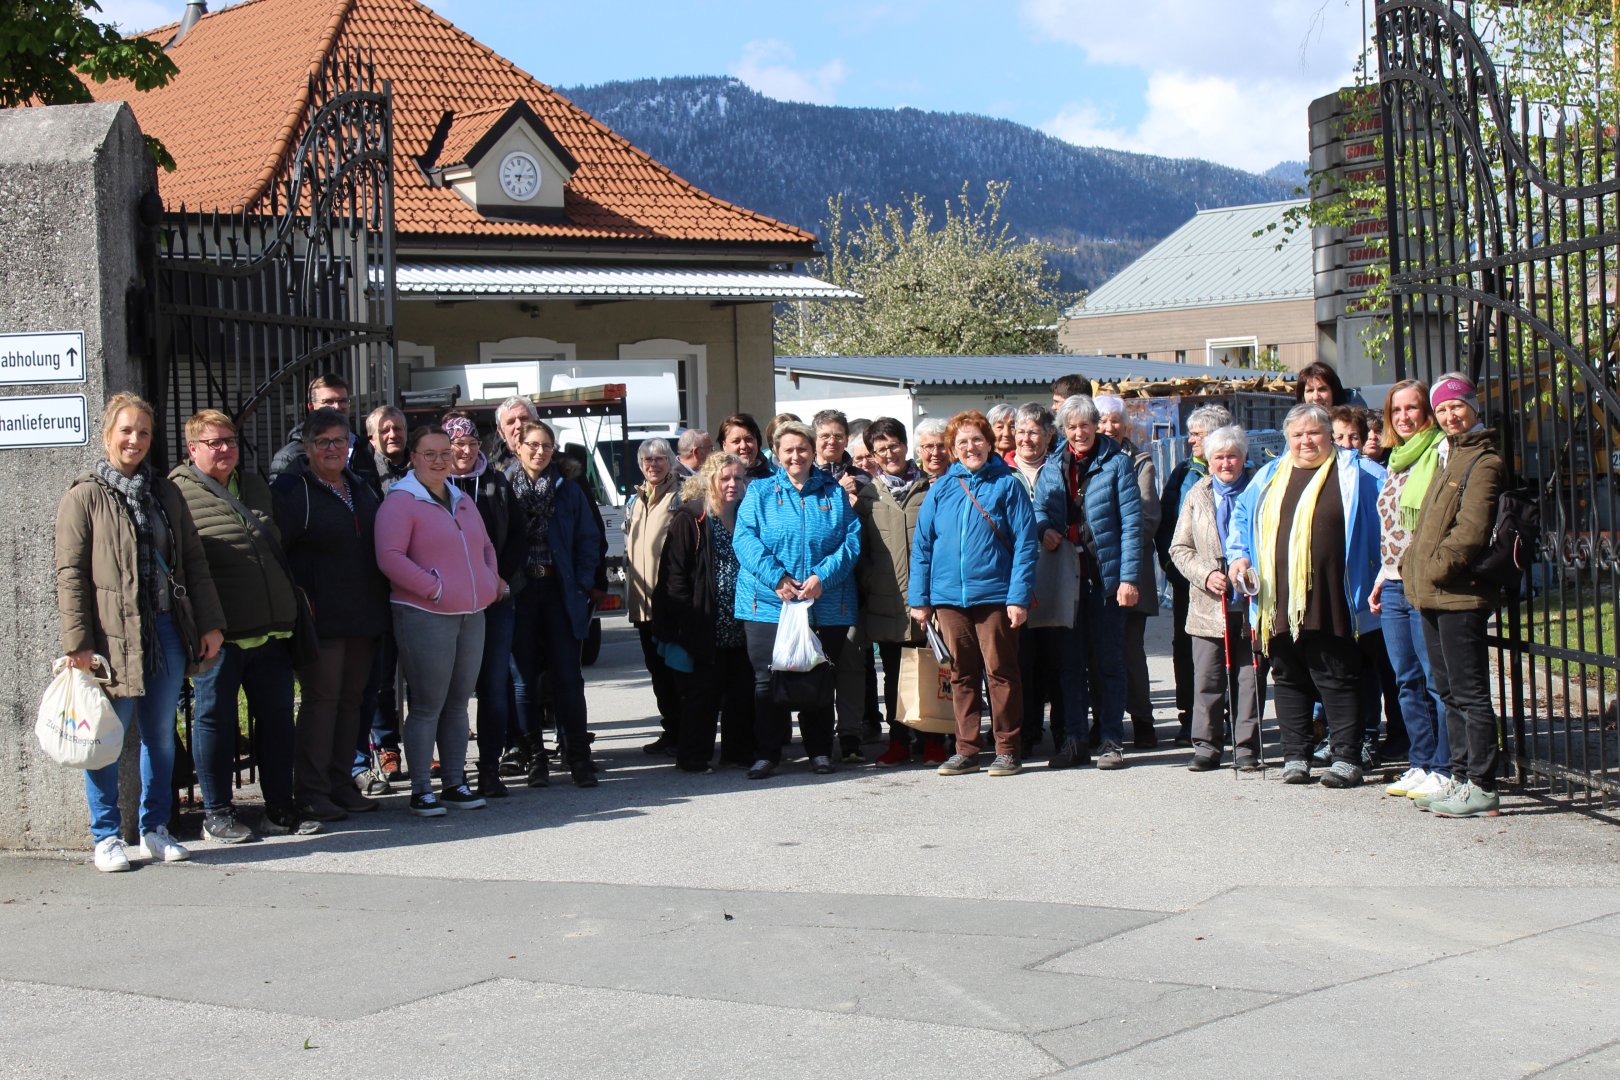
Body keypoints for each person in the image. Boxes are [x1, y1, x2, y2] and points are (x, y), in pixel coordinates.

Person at [57, 393, 226, 872]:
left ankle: (155, 828)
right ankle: (106, 836)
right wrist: (78, 644)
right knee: (105, 738)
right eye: (127, 431)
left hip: (166, 629)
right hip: (111, 639)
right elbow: (70, 575)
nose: (135, 440)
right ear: (108, 434)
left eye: (144, 432)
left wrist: (210, 623)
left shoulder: (164, 493)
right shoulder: (84, 496)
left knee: (161, 736)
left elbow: (192, 560)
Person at [170, 409, 318, 843]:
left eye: (231, 440)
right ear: (192, 448)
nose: (225, 448)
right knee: (213, 722)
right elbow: (184, 568)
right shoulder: (178, 493)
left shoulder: (254, 484)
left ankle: (280, 809)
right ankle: (217, 813)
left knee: (277, 722)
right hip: (220, 636)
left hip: (271, 631)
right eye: (214, 442)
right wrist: (203, 625)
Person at [1226, 403, 1385, 788]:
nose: (1306, 441)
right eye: (1297, 434)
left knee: (1336, 674)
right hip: (1277, 598)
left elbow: (1387, 518)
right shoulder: (1269, 474)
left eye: (1313, 432)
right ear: (1287, 438)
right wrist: (1239, 555)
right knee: (1288, 675)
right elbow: (1242, 519)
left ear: (1329, 434)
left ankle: (1346, 758)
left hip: (1333, 594)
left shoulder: (1359, 472)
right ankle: (1295, 756)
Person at [376, 426, 503, 817]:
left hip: (471, 613)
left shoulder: (461, 497)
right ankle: (421, 789)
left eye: (444, 453)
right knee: (427, 705)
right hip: (425, 614)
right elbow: (390, 557)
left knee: (458, 704)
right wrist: (434, 589)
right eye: (429, 454)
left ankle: (454, 783)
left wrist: (488, 583)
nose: (438, 460)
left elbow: (486, 547)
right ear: (413, 457)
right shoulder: (401, 501)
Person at [272, 406, 391, 821]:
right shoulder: (293, 492)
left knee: (351, 702)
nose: (332, 449)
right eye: (322, 442)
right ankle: (312, 791)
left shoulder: (361, 486)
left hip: (364, 614)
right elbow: (278, 553)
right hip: (320, 620)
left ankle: (341, 784)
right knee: (322, 702)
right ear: (307, 447)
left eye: (339, 440)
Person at [910, 410, 1038, 777]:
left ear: (990, 443)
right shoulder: (942, 488)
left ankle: (1007, 749)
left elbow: (1026, 545)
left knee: (1001, 673)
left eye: (977, 439)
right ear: (953, 448)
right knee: (960, 675)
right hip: (948, 599)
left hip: (995, 596)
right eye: (962, 442)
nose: (971, 447)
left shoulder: (1008, 484)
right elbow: (923, 547)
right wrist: (919, 600)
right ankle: (966, 749)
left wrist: (1018, 597)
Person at [733, 420, 860, 779]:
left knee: (818, 676)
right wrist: (776, 577)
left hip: (824, 602)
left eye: (802, 448)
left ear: (812, 451)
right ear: (776, 453)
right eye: (788, 450)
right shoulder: (759, 492)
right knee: (767, 680)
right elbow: (744, 539)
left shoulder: (833, 493)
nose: (795, 456)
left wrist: (822, 577)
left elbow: (851, 540)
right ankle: (767, 753)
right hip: (767, 604)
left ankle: (819, 751)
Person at [1402, 373, 1505, 818]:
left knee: (1469, 692)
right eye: (1442, 409)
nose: (1449, 415)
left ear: (1473, 407)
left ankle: (1482, 784)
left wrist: (1435, 568)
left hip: (1459, 595)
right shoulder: (1449, 456)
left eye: (1456, 406)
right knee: (1448, 692)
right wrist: (1413, 567)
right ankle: (1460, 777)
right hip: (1432, 593)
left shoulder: (1484, 461)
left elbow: (1471, 531)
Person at [1035, 395, 1144, 770]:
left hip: (1105, 576)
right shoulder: (1052, 465)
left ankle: (1111, 739)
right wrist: (1044, 529)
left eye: (1085, 425)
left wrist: (1129, 579)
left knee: (1109, 662)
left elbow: (1132, 525)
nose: (1079, 432)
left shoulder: (1117, 463)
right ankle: (1075, 740)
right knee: (1069, 663)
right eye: (1071, 426)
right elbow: (1039, 508)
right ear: (1063, 430)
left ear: (1096, 425)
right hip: (1067, 575)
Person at [506, 419, 603, 787]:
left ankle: (578, 756)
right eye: (532, 444)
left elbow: (588, 539)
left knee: (568, 677)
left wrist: (582, 582)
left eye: (546, 445)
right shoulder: (504, 488)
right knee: (523, 681)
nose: (539, 451)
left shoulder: (569, 488)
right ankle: (535, 758)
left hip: (560, 591)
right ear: (518, 447)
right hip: (520, 593)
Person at [443, 410, 529, 798]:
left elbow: (517, 536)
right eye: (457, 444)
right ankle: (452, 772)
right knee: (451, 691)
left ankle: (490, 768)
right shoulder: (430, 486)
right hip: (447, 602)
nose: (465, 451)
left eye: (471, 443)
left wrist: (501, 580)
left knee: (494, 685)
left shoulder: (496, 482)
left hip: (494, 597)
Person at [1370, 380, 1448, 799]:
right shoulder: (1395, 460)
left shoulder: (1440, 451)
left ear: (1427, 412)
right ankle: (1421, 761)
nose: (1403, 417)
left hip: (1425, 582)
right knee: (1406, 679)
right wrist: (1383, 575)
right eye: (1396, 410)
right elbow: (1393, 529)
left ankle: (1445, 766)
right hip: (1394, 584)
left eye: (1411, 408)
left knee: (1436, 679)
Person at [653, 452, 756, 771]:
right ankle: (693, 757)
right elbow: (674, 576)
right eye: (725, 478)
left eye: (738, 478)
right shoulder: (692, 517)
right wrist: (687, 620)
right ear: (710, 480)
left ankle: (737, 753)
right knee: (702, 694)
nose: (732, 484)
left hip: (741, 621)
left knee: (741, 690)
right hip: (703, 621)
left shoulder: (746, 514)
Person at [1168, 425, 1261, 771]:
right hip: (1209, 603)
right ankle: (1207, 746)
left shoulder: (1259, 489)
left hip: (1251, 600)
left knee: (1249, 677)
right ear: (1208, 461)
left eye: (1232, 456)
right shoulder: (1197, 494)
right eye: (1219, 457)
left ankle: (1247, 746)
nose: (1226, 463)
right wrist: (1206, 574)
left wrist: (1253, 571)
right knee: (1207, 677)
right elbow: (1179, 547)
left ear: (1243, 457)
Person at [856, 417, 945, 766]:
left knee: (929, 671)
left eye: (894, 446)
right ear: (873, 455)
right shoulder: (868, 496)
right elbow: (861, 551)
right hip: (886, 600)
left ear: (906, 446)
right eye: (881, 450)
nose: (889, 454)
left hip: (927, 600)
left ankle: (933, 739)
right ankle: (898, 741)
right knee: (893, 676)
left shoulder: (931, 488)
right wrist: (869, 579)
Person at [1155, 404, 1233, 745]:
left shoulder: (1240, 472)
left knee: (1230, 648)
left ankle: (1230, 716)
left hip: (1230, 581)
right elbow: (1165, 524)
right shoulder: (1182, 473)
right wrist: (1172, 567)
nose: (1190, 441)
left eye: (1197, 434)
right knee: (1186, 649)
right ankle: (1190, 717)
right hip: (1188, 579)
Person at [1095, 394, 1162, 749]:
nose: (1108, 427)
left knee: (1129, 650)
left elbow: (1147, 519)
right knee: (1097, 652)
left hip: (1130, 570)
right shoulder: (1086, 460)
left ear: (1125, 425)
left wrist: (1117, 552)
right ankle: (1104, 721)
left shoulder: (1140, 463)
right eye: (1102, 420)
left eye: (1114, 420)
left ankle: (1142, 719)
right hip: (1095, 572)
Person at [811, 409, 876, 762]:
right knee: (816, 665)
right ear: (815, 438)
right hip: (813, 586)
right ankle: (818, 738)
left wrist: (857, 495)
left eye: (838, 435)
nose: (832, 442)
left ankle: (851, 734)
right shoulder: (803, 477)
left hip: (853, 585)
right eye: (825, 436)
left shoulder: (863, 478)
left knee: (852, 663)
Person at [1009, 402, 1065, 754]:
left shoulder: (1060, 469)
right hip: (1016, 578)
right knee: (1021, 659)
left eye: (1033, 432)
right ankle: (1026, 731)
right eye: (1021, 431)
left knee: (1057, 658)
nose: (1026, 439)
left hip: (1055, 573)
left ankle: (1063, 731)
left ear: (1049, 436)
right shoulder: (1002, 471)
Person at [625, 438, 685, 756]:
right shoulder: (635, 500)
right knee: (658, 672)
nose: (653, 464)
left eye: (660, 458)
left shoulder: (682, 495)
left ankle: (686, 733)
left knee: (677, 670)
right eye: (647, 459)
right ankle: (671, 730)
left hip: (671, 603)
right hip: (643, 604)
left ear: (671, 461)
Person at [269, 372, 379, 489]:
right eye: (328, 401)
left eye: (342, 401)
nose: (337, 407)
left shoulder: (361, 450)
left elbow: (375, 496)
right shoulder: (289, 456)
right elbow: (280, 497)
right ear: (311, 408)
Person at [484, 396, 537, 473]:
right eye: (511, 422)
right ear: (501, 432)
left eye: (524, 418)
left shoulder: (555, 462)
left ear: (537, 422)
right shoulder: (491, 471)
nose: (519, 425)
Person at [365, 405, 411, 493]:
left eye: (397, 429)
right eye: (384, 431)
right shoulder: (365, 475)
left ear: (405, 432)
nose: (393, 435)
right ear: (372, 439)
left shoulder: (423, 467)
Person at [719, 413, 772, 480]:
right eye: (736, 441)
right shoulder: (714, 482)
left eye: (748, 439)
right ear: (724, 445)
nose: (743, 446)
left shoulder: (774, 482)